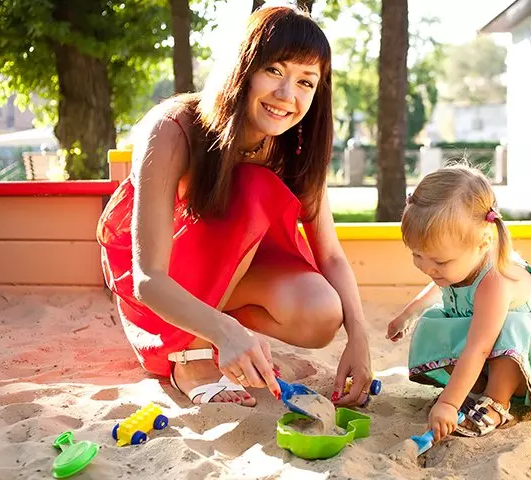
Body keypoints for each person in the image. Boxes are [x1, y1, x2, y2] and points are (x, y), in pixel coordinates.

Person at [97, 6, 372, 408]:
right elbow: (148, 278)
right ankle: (190, 354)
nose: (287, 95)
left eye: (306, 82)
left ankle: (222, 333)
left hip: (222, 276)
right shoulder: (175, 128)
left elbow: (329, 253)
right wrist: (222, 331)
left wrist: (360, 340)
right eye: (274, 71)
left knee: (322, 312)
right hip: (158, 289)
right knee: (254, 187)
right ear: (243, 67)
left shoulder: (295, 147)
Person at [386, 163, 531, 440]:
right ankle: (474, 389)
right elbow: (438, 286)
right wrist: (408, 315)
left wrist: (447, 403)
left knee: (509, 328)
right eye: (418, 255)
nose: (428, 268)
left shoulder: (496, 280)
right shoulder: (458, 265)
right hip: (489, 351)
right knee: (432, 322)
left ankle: (496, 402)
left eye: (440, 261)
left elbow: (479, 348)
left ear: (482, 242)